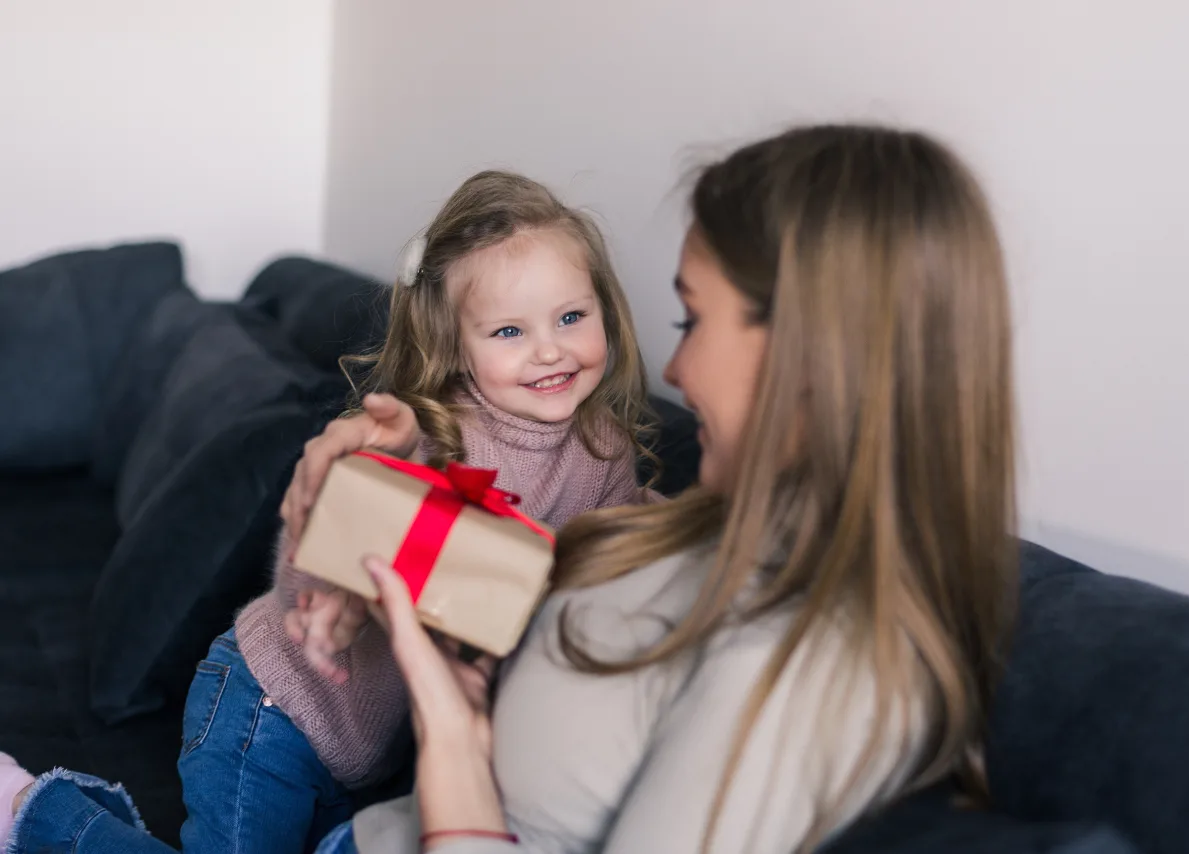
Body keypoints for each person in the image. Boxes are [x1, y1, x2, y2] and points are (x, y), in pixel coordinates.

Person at [316, 122, 1020, 853]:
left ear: (811, 356)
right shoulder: (728, 524)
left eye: (693, 319)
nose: (674, 372)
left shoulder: (801, 666)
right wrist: (376, 485)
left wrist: (453, 747)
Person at [0, 170, 658, 853]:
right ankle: (33, 812)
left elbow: (609, 553)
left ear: (606, 310)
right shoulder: (437, 438)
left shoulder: (604, 450)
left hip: (371, 749)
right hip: (270, 709)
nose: (550, 350)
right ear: (456, 347)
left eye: (571, 317)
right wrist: (323, 592)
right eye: (510, 331)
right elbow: (325, 533)